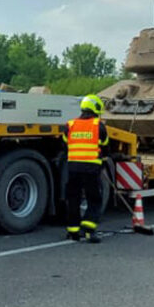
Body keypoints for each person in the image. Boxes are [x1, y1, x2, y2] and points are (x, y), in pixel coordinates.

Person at [61, 95, 109, 243]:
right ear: (96, 108)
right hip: (91, 169)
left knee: (73, 198)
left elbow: (64, 145)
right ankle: (89, 231)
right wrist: (103, 160)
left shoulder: (70, 125)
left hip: (73, 168)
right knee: (93, 199)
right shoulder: (98, 126)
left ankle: (73, 232)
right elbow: (105, 149)